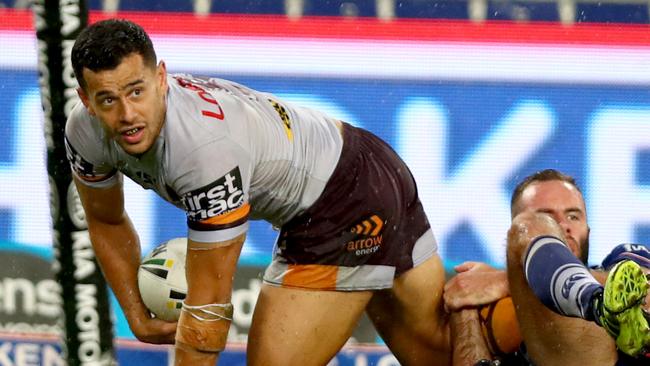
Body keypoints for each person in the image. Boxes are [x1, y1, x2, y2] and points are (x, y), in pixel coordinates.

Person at [65, 19, 452, 365]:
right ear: (86, 101)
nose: (128, 114)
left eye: (137, 92)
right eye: (108, 100)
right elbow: (105, 219)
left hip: (343, 202)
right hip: (367, 162)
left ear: (162, 78)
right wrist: (134, 314)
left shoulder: (202, 151)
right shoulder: (83, 133)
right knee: (441, 353)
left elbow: (208, 312)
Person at [444, 169, 650, 365]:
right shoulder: (491, 303)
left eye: (573, 216)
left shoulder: (622, 259)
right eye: (547, 217)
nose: (563, 225)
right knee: (531, 225)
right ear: (515, 239)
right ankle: (599, 306)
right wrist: (464, 309)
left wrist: (509, 280)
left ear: (588, 230)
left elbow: (644, 292)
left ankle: (597, 304)